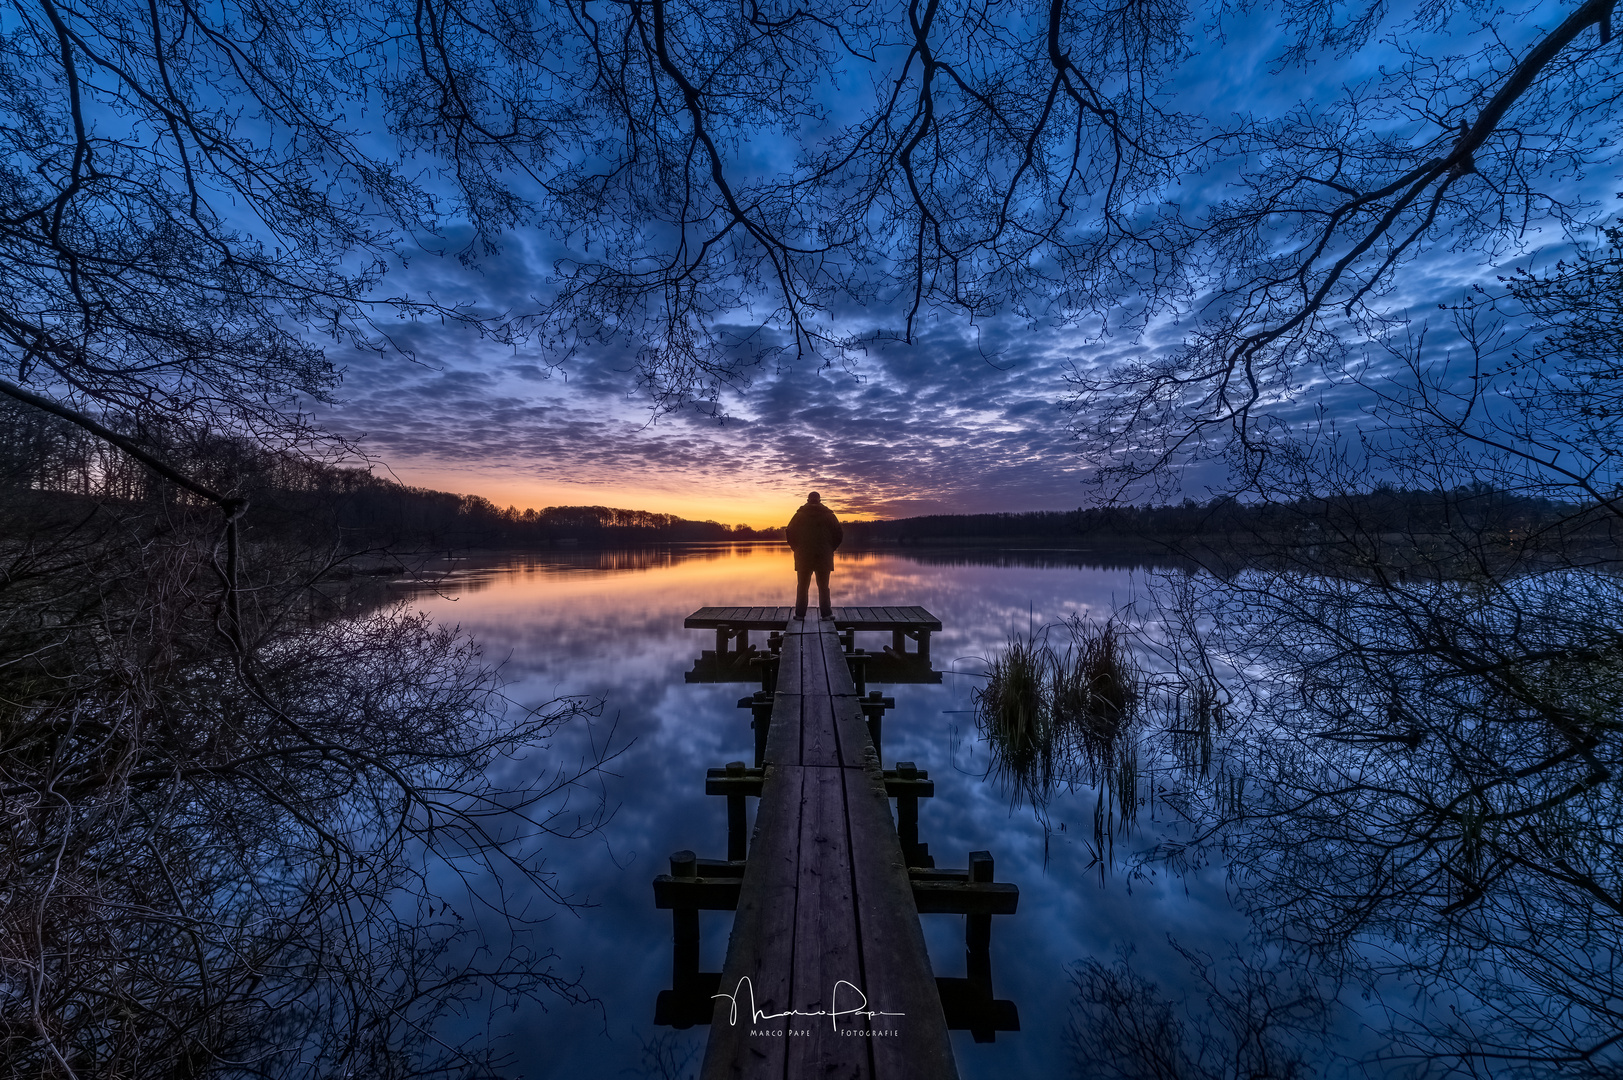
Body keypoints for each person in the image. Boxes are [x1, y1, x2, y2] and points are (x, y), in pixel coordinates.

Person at [785, 491, 843, 619]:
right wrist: (830, 548)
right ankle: (826, 614)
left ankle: (800, 615)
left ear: (807, 500)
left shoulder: (798, 516)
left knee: (802, 586)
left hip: (803, 557)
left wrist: (797, 548)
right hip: (823, 557)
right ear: (820, 500)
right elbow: (839, 534)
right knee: (823, 587)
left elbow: (789, 532)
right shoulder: (829, 515)